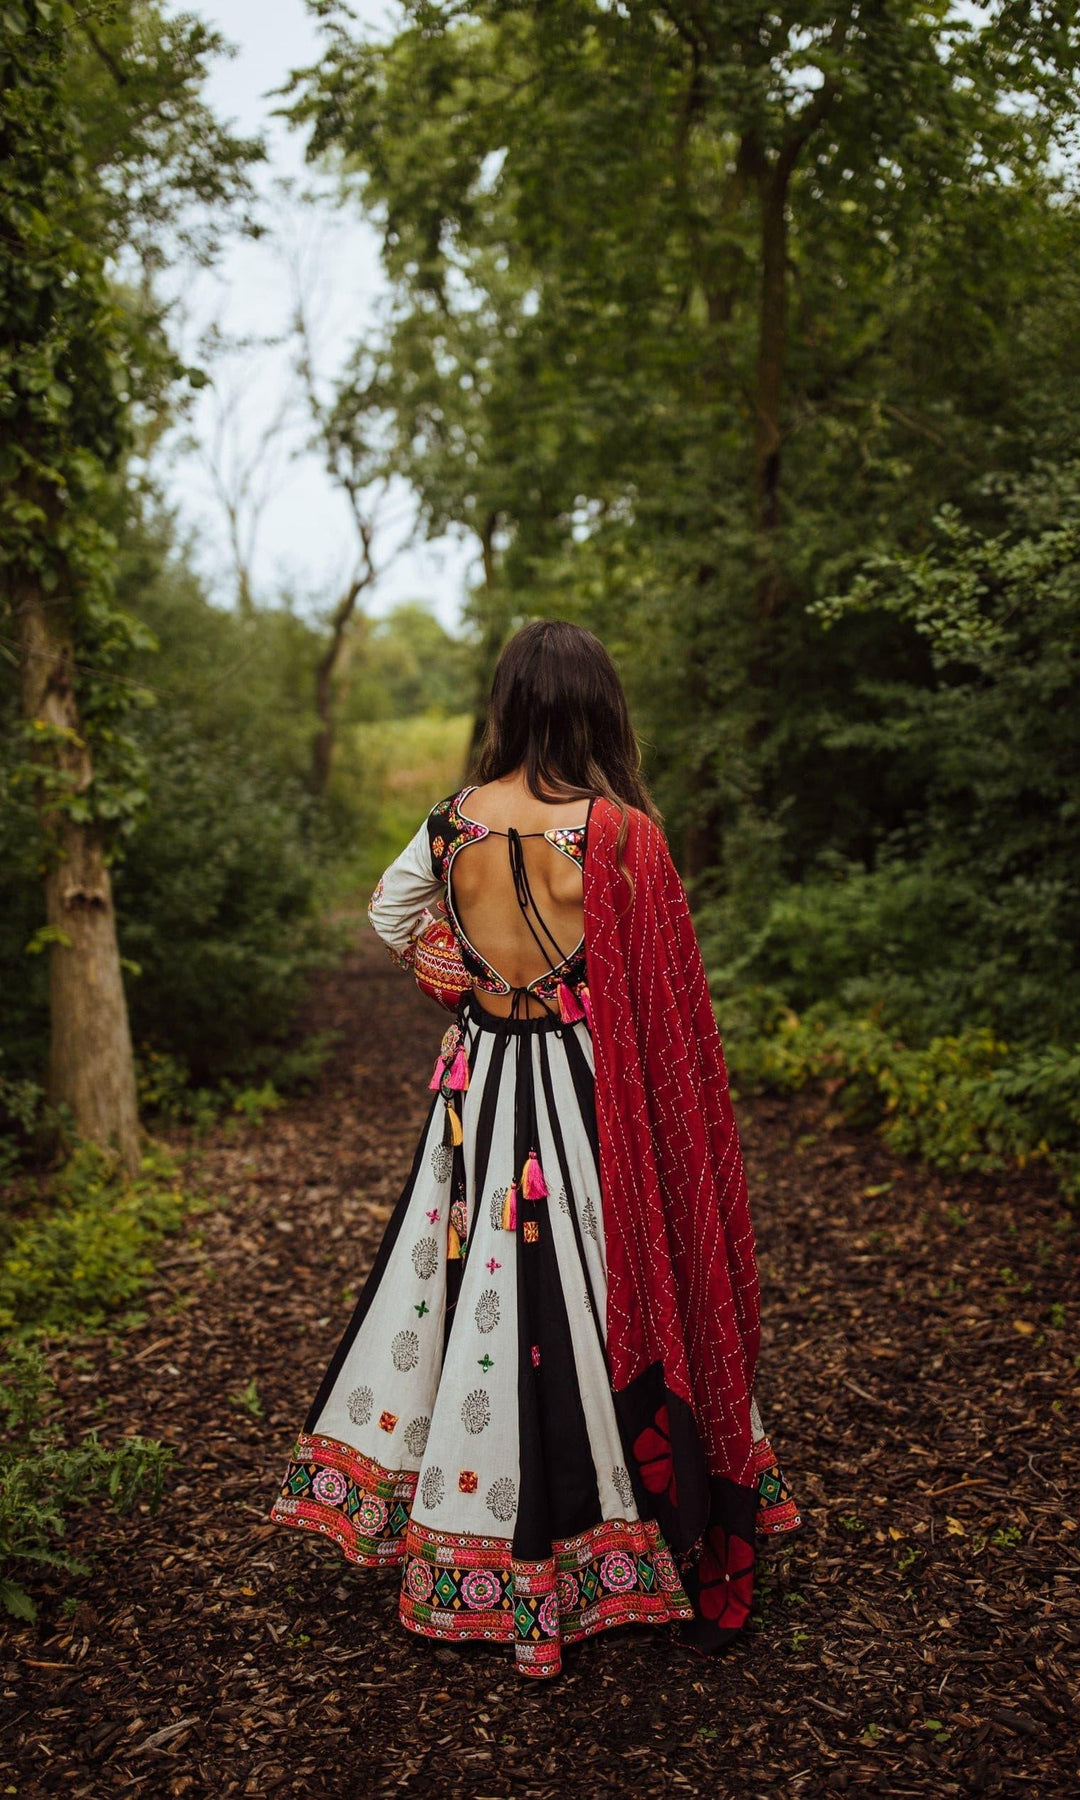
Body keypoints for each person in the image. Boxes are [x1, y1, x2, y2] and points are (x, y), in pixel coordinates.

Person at [269, 619, 800, 1680]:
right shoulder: (618, 834)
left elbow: (389, 915)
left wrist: (459, 976)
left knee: (484, 1296)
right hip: (585, 1088)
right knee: (610, 1286)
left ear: (510, 703)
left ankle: (494, 1558)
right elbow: (661, 997)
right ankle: (630, 1539)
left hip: (482, 1090)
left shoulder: (453, 822)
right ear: (598, 707)